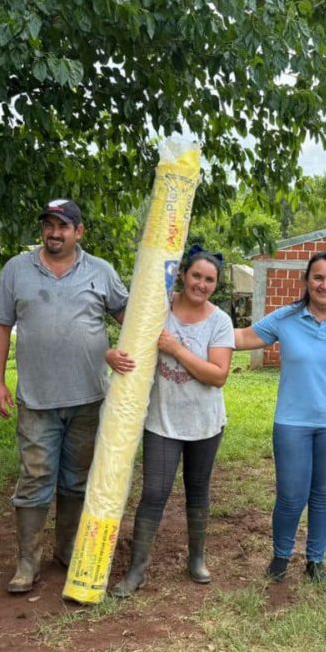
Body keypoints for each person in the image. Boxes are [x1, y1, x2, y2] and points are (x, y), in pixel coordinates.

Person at [0, 198, 128, 593]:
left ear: (78, 232)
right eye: (49, 225)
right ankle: (27, 562)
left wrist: (125, 350)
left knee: (77, 480)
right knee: (34, 478)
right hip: (36, 399)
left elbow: (129, 317)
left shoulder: (101, 272)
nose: (54, 232)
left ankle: (66, 551)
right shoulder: (17, 269)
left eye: (63, 226)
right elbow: (0, 326)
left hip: (89, 398)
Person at [233, 252, 326, 583]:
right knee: (290, 494)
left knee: (323, 494)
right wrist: (194, 328)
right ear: (306, 280)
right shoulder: (285, 318)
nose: (325, 285)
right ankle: (280, 556)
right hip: (292, 422)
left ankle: (316, 560)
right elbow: (242, 338)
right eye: (318, 277)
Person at [104, 245, 234, 597]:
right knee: (154, 493)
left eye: (210, 280)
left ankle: (196, 559)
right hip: (161, 420)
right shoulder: (157, 309)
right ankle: (137, 571)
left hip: (205, 423)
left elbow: (218, 375)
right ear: (182, 275)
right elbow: (127, 343)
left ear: (215, 284)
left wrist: (176, 349)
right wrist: (111, 354)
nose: (202, 284)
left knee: (198, 490)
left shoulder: (220, 321)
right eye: (196, 276)